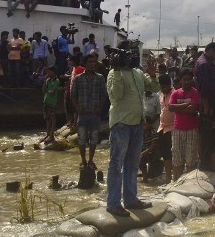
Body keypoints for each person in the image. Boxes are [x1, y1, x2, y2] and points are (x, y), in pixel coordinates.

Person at [105, 53, 153, 217]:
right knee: (116, 164)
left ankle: (131, 199)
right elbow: (116, 95)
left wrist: (152, 73)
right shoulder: (113, 73)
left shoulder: (138, 73)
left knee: (132, 164)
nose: (134, 58)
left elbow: (153, 87)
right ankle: (113, 204)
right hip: (121, 124)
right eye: (130, 55)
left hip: (137, 124)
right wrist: (117, 69)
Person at [72, 55, 107, 169]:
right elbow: (73, 96)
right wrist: (77, 109)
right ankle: (83, 161)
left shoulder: (100, 78)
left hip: (94, 114)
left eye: (94, 62)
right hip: (82, 113)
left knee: (94, 138)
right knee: (81, 138)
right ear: (85, 64)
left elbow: (103, 95)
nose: (93, 64)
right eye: (90, 62)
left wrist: (99, 108)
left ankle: (91, 160)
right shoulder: (78, 78)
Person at [194, 42, 215, 172]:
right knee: (209, 134)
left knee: (210, 134)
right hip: (209, 105)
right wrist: (207, 106)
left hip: (211, 103)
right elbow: (204, 88)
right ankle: (205, 162)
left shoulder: (205, 62)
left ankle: (206, 162)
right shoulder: (205, 64)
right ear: (210, 50)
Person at [169, 68, 200, 178]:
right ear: (180, 80)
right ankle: (178, 181)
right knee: (177, 158)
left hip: (191, 129)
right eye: (184, 79)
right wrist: (186, 105)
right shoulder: (175, 93)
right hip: (177, 129)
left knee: (190, 158)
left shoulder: (195, 92)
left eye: (189, 79)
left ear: (191, 80)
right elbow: (170, 108)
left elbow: (193, 109)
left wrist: (178, 108)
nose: (187, 81)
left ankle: (189, 182)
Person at [157, 74, 175, 183]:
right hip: (162, 128)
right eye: (161, 86)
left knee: (174, 155)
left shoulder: (175, 94)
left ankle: (175, 178)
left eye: (165, 86)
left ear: (169, 85)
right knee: (165, 155)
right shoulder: (160, 95)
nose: (163, 89)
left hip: (173, 128)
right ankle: (168, 178)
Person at [42, 67, 60, 143]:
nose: (48, 74)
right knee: (47, 119)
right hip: (46, 101)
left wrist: (47, 90)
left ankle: (51, 135)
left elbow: (52, 92)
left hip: (52, 102)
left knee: (52, 119)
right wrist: (44, 81)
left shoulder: (56, 81)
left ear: (53, 72)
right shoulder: (47, 80)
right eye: (47, 72)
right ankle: (48, 134)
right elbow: (43, 90)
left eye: (49, 72)